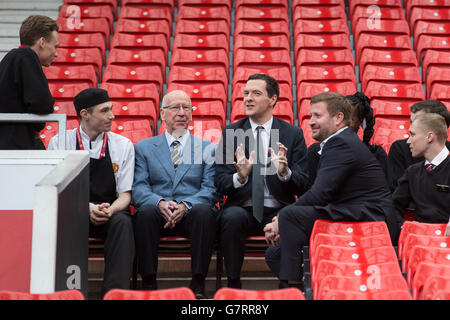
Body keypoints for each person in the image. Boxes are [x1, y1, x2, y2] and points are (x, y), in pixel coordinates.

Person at [264, 92, 397, 290]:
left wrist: (281, 219)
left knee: (291, 216)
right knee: (276, 253)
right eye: (310, 116)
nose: (310, 122)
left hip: (369, 215)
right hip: (353, 211)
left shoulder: (341, 143)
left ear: (338, 118)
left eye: (318, 116)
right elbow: (323, 194)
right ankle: (310, 289)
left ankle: (291, 291)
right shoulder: (339, 142)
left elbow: (319, 194)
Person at [214, 73, 309, 289]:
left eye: (256, 93)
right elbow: (219, 182)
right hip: (243, 209)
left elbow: (304, 183)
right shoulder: (231, 132)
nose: (248, 98)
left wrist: (285, 173)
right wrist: (240, 176)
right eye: (246, 93)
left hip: (279, 208)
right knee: (232, 217)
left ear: (272, 99)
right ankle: (232, 285)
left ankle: (288, 288)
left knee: (289, 219)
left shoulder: (292, 133)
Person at [48, 88, 135, 297]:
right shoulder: (59, 142)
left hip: (110, 210)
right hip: (73, 209)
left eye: (111, 109)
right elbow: (56, 191)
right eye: (105, 111)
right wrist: (87, 208)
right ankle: (67, 292)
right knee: (60, 222)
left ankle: (116, 293)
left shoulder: (123, 145)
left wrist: (109, 210)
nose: (112, 115)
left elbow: (125, 195)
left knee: (123, 223)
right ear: (84, 114)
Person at [132, 90, 218, 299]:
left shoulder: (208, 148)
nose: (181, 113)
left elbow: (210, 190)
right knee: (144, 214)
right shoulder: (143, 148)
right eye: (175, 108)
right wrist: (160, 203)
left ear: (191, 113)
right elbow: (139, 188)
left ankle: (198, 283)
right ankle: (149, 282)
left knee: (204, 213)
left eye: (186, 107)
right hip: (156, 214)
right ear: (162, 113)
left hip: (191, 214)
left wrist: (184, 206)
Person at [0, 15, 59, 150]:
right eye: (55, 46)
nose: (56, 54)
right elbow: (43, 103)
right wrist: (37, 126)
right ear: (42, 42)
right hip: (15, 146)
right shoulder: (26, 55)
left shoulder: (10, 59)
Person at [307, 91, 388, 186]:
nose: (344, 125)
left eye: (351, 120)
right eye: (341, 119)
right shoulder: (316, 152)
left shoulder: (376, 155)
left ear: (360, 123)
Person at [392, 113, 450, 236]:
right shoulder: (412, 172)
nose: (408, 141)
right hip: (419, 240)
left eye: (412, 134)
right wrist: (405, 228)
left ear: (429, 137)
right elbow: (393, 207)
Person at [387, 100, 450, 192]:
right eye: (411, 122)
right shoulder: (400, 149)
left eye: (418, 122)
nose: (411, 127)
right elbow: (397, 193)